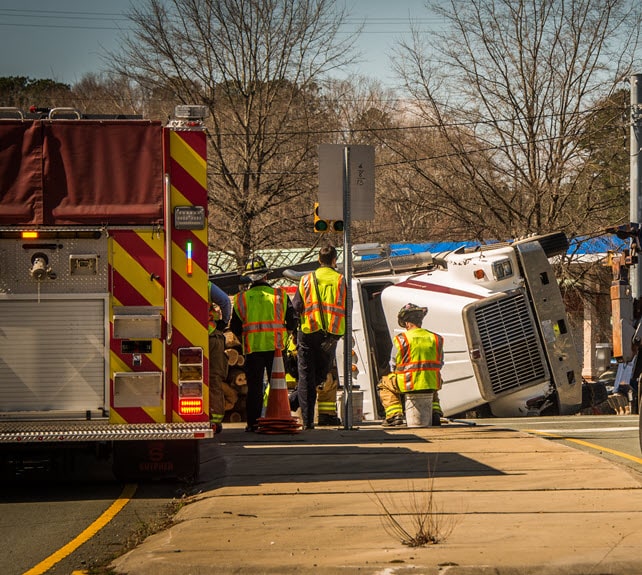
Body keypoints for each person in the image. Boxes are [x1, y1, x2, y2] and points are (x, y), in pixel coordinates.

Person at [230, 255, 297, 432]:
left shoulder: (241, 299)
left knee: (254, 388)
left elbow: (235, 327)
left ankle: (253, 424)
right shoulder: (279, 296)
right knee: (278, 386)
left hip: (252, 349)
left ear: (248, 278)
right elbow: (292, 322)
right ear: (266, 276)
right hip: (276, 349)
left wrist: (247, 338)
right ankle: (278, 419)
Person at [292, 245, 346, 429]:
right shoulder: (340, 280)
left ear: (318, 259)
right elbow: (348, 307)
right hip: (329, 336)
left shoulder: (305, 280)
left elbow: (296, 306)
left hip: (307, 333)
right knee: (321, 375)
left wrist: (293, 333)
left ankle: (306, 420)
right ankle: (295, 401)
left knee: (306, 376)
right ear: (334, 260)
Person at [378, 303, 444, 427]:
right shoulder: (436, 338)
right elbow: (440, 363)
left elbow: (393, 363)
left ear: (407, 323)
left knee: (384, 384)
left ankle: (394, 416)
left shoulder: (401, 339)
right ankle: (435, 413)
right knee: (430, 386)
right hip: (432, 383)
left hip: (408, 384)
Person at [208, 281, 232, 434]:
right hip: (211, 336)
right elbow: (224, 301)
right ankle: (215, 421)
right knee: (214, 378)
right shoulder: (206, 285)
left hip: (187, 338)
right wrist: (223, 323)